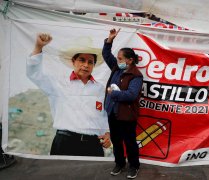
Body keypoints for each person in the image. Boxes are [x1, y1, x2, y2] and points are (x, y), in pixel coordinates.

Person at [26, 33, 111, 156]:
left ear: (93, 65)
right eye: (82, 60)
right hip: (65, 143)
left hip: (93, 145)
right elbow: (34, 74)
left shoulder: (100, 90)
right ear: (73, 61)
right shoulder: (58, 84)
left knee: (92, 176)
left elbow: (104, 116)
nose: (86, 65)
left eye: (90, 62)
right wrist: (38, 47)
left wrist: (107, 133)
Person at [102, 29, 143, 179]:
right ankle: (119, 163)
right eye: (118, 58)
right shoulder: (116, 67)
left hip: (126, 115)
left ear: (130, 60)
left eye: (120, 58)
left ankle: (134, 166)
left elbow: (131, 95)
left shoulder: (136, 75)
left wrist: (114, 94)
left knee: (130, 142)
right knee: (116, 140)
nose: (117, 60)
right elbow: (106, 55)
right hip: (113, 112)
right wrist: (109, 40)